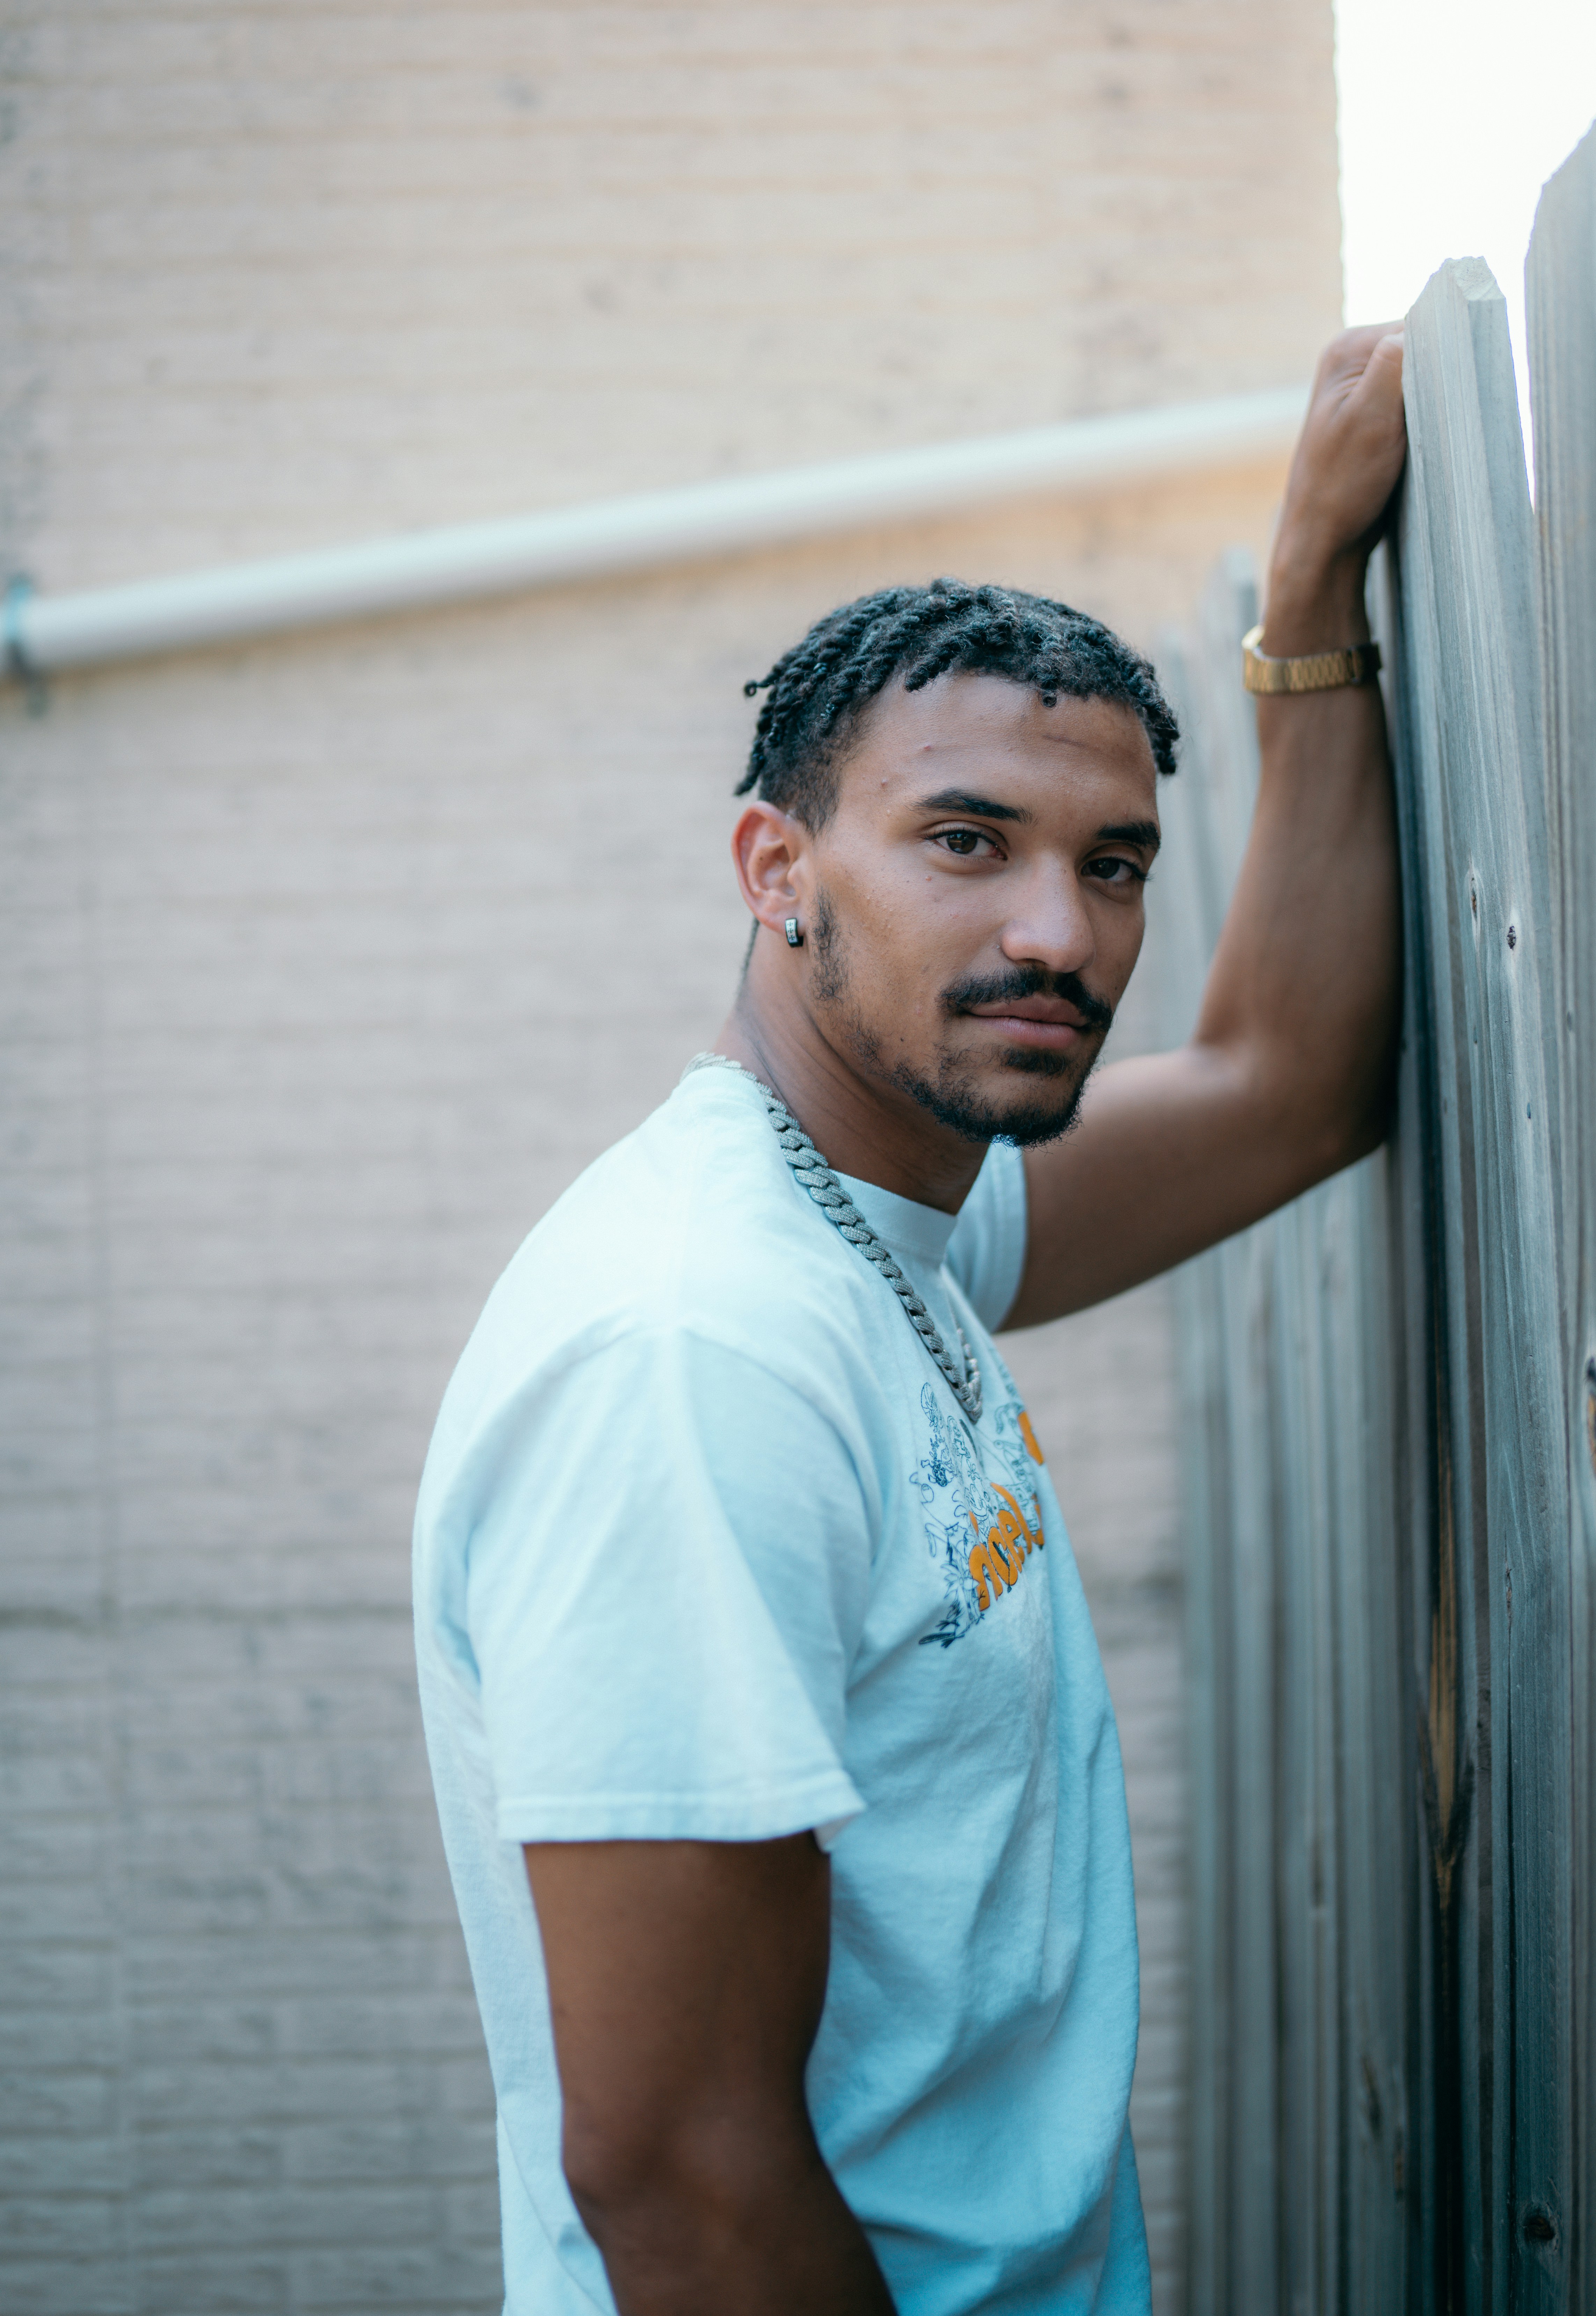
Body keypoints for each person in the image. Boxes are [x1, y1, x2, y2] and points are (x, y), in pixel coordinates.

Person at [412, 323, 1407, 2316]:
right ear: (779, 870)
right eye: (966, 842)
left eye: (1111, 864)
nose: (1058, 930)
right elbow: (677, 2171)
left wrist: (1303, 596)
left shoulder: (887, 1231)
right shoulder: (697, 1349)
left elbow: (1291, 1084)